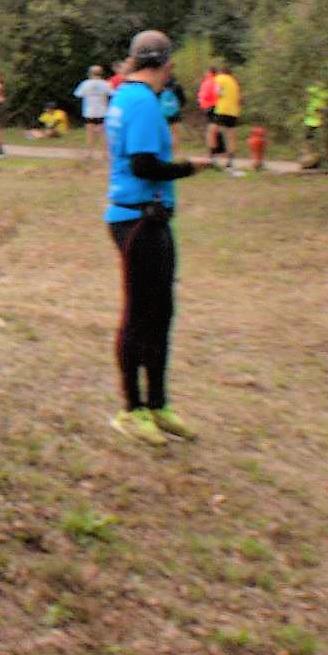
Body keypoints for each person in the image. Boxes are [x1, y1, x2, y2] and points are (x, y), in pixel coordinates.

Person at [104, 32, 200, 447]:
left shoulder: (126, 96)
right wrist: (188, 167)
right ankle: (132, 409)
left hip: (149, 220)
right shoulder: (142, 101)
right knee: (141, 314)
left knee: (161, 312)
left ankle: (159, 405)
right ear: (167, 66)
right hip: (139, 220)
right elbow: (144, 165)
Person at [74, 65, 112, 161]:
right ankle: (105, 154)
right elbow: (112, 93)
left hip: (89, 111)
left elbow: (78, 94)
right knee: (103, 134)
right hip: (102, 111)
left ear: (90, 73)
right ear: (101, 73)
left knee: (89, 133)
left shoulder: (85, 84)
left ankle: (89, 153)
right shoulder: (106, 83)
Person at [211, 61, 242, 168]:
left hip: (222, 109)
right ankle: (231, 160)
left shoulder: (219, 79)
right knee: (231, 135)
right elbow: (239, 99)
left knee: (212, 131)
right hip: (233, 111)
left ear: (221, 72)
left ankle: (213, 157)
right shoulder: (234, 82)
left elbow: (217, 93)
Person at [301, 82, 328, 168]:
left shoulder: (326, 94)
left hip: (319, 120)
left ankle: (319, 155)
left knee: (318, 138)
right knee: (308, 137)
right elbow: (306, 92)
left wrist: (324, 109)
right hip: (311, 120)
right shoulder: (313, 91)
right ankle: (308, 154)